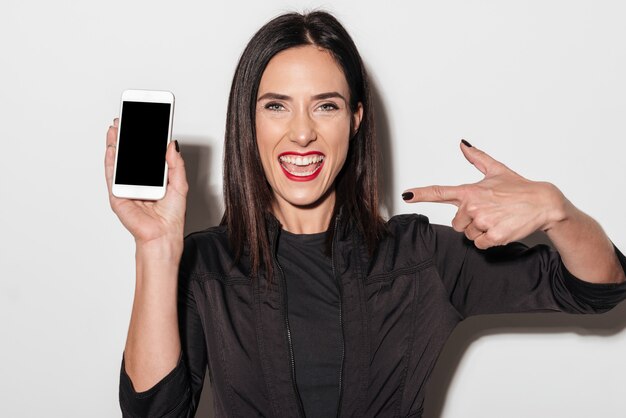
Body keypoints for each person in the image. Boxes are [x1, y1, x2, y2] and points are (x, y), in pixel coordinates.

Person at [105, 11, 626, 418]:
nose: (302, 132)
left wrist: (559, 212)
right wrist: (155, 248)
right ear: (249, 121)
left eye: (326, 106)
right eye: (276, 105)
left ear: (355, 120)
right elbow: (154, 413)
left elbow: (597, 289)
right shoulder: (204, 265)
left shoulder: (423, 258)